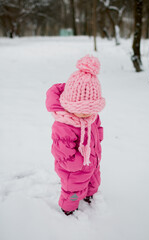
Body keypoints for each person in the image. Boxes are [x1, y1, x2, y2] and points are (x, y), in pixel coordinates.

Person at [45, 55, 105, 216]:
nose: (86, 113)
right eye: (82, 108)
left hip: (92, 160)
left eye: (91, 108)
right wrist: (76, 164)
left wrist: (98, 137)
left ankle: (90, 194)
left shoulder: (91, 116)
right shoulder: (64, 125)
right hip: (73, 169)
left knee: (93, 181)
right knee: (72, 190)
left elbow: (97, 126)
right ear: (69, 104)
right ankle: (68, 209)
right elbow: (61, 151)